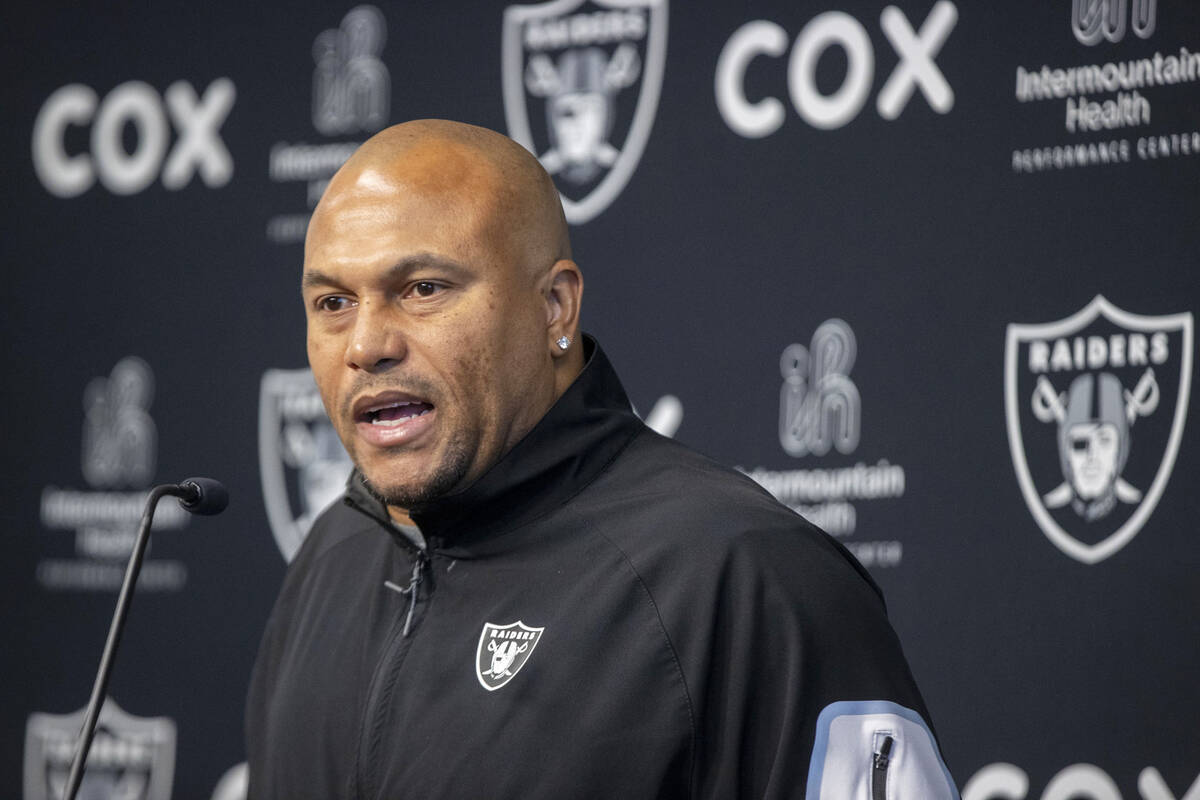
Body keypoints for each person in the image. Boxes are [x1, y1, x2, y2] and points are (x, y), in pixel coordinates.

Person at [245, 119, 959, 799]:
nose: (365, 345)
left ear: (555, 307)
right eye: (333, 302)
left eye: (423, 289)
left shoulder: (745, 577)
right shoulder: (332, 555)